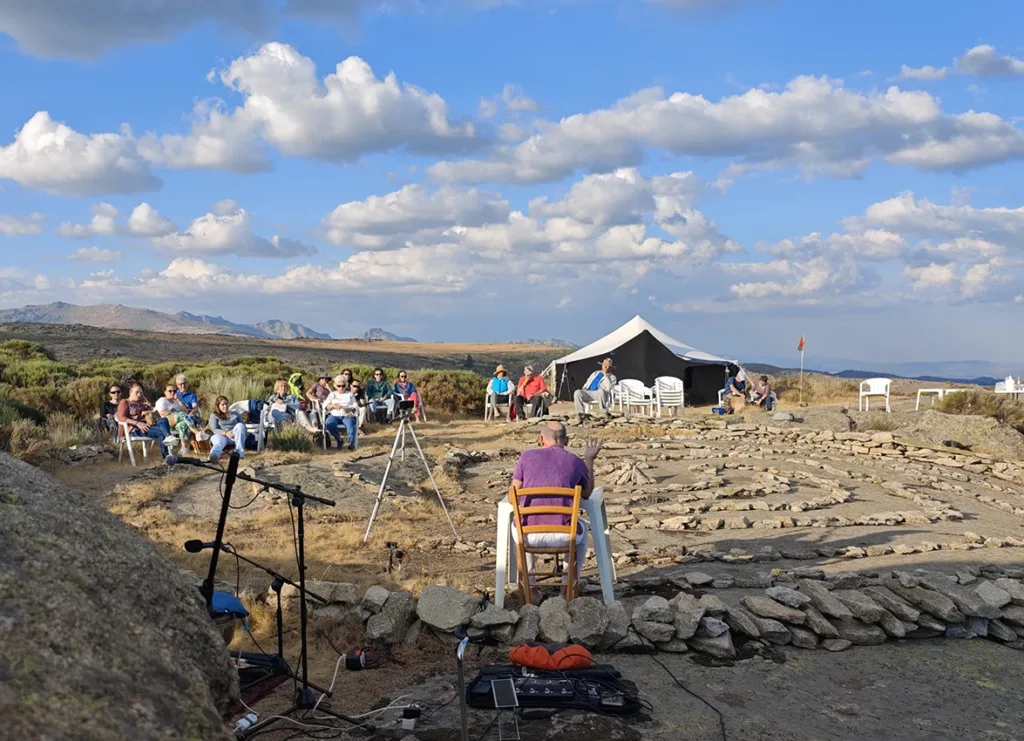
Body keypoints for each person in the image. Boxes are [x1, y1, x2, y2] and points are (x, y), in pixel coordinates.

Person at [511, 421, 603, 601]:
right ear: (566, 440)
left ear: (541, 439)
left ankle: (531, 588)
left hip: (529, 536)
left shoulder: (526, 457)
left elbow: (514, 491)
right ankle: (565, 590)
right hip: (564, 535)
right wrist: (589, 460)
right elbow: (586, 493)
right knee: (582, 530)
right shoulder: (576, 462)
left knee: (520, 522)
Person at [116, 382, 170, 457]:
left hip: (147, 425)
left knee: (164, 420)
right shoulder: (124, 402)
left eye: (141, 393)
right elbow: (121, 417)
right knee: (161, 432)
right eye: (137, 392)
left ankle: (168, 436)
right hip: (135, 429)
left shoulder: (141, 403)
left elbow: (154, 414)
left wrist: (146, 402)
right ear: (130, 392)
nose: (139, 395)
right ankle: (166, 456)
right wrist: (137, 423)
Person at [156, 382, 208, 455]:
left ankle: (183, 450)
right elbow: (162, 412)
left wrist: (179, 400)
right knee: (181, 415)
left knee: (183, 425)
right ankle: (197, 432)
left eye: (174, 391)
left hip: (177, 423)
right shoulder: (162, 400)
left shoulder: (175, 401)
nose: (172, 393)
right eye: (170, 391)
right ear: (165, 392)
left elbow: (185, 411)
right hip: (167, 423)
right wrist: (176, 413)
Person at [573, 358, 617, 422]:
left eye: (608, 366)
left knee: (601, 391)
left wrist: (605, 375)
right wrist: (584, 387)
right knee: (577, 392)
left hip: (599, 394)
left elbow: (608, 388)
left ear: (610, 368)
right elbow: (588, 381)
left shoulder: (612, 377)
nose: (606, 367)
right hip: (589, 392)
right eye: (605, 366)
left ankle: (604, 412)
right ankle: (581, 413)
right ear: (602, 366)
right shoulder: (595, 373)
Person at [207, 395, 248, 463]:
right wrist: (226, 433)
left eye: (226, 404)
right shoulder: (214, 415)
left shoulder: (235, 414)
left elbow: (243, 426)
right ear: (218, 406)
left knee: (240, 425)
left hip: (233, 436)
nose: (225, 406)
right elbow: (214, 430)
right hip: (221, 435)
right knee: (218, 442)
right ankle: (213, 456)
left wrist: (238, 433)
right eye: (222, 404)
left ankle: (239, 454)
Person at [324, 376, 359, 450]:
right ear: (335, 386)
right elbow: (325, 406)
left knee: (351, 424)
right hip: (334, 415)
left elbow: (355, 405)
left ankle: (351, 443)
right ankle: (339, 440)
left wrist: (350, 409)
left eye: (343, 386)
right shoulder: (332, 394)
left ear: (345, 385)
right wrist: (333, 405)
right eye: (338, 386)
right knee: (329, 424)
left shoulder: (350, 394)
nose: (341, 388)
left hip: (347, 415)